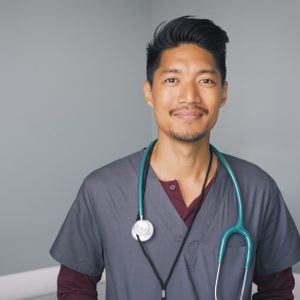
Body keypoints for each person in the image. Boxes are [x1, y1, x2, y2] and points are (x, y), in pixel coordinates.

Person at [50, 16, 300, 299]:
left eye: (205, 80)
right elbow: (74, 288)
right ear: (149, 92)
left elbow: (277, 290)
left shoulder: (257, 189)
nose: (189, 96)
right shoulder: (102, 190)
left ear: (223, 93)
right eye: (172, 79)